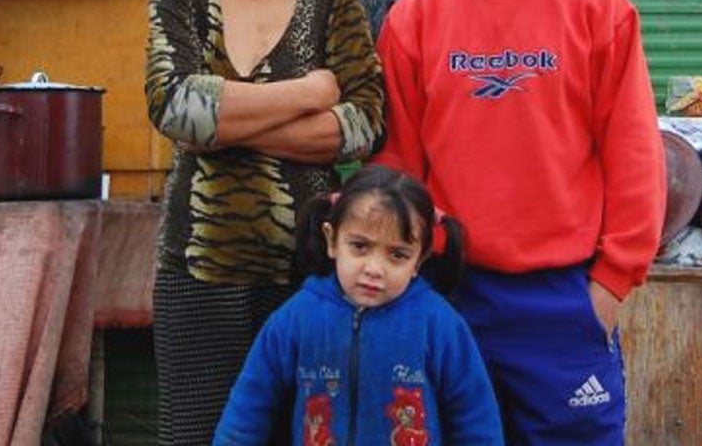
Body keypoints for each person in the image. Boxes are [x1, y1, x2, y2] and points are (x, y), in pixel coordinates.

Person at [374, 0, 667, 445]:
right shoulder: (415, 18)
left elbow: (636, 158)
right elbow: (398, 165)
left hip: (565, 300)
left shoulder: (600, 9)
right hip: (449, 293)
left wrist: (611, 285)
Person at [145, 0, 386, 445]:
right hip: (197, 269)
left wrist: (226, 122)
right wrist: (309, 92)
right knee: (200, 433)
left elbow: (363, 125)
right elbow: (176, 111)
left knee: (304, 430)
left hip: (307, 267)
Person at [212, 164, 504, 445]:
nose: (374, 268)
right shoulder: (296, 318)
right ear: (332, 240)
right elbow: (249, 407)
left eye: (398, 255)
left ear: (420, 260)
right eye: (360, 247)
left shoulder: (440, 325)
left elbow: (476, 421)